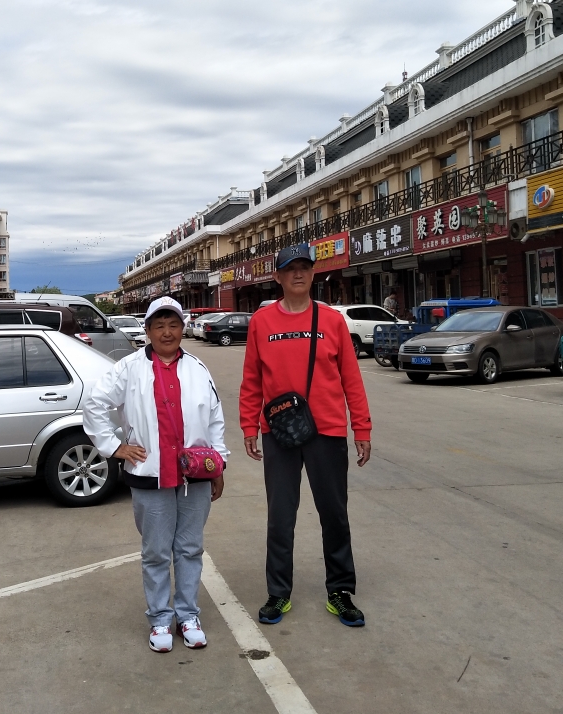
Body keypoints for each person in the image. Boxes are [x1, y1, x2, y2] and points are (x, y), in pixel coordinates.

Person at [84, 296, 228, 653]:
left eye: (173, 324)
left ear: (182, 328)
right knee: (156, 551)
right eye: (159, 325)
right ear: (147, 331)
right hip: (150, 474)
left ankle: (188, 615)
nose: (167, 332)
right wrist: (116, 447)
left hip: (195, 474)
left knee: (190, 548)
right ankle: (161, 619)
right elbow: (95, 404)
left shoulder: (197, 367)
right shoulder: (129, 368)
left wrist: (219, 464)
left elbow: (214, 418)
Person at [239, 243, 373, 628]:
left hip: (327, 430)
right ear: (277, 277)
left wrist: (360, 427)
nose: (297, 273)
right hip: (279, 432)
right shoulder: (261, 324)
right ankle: (278, 593)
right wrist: (250, 424)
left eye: (304, 267)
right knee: (281, 516)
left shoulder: (331, 321)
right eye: (289, 268)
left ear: (313, 274)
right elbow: (252, 379)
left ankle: (340, 590)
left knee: (334, 513)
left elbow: (352, 379)